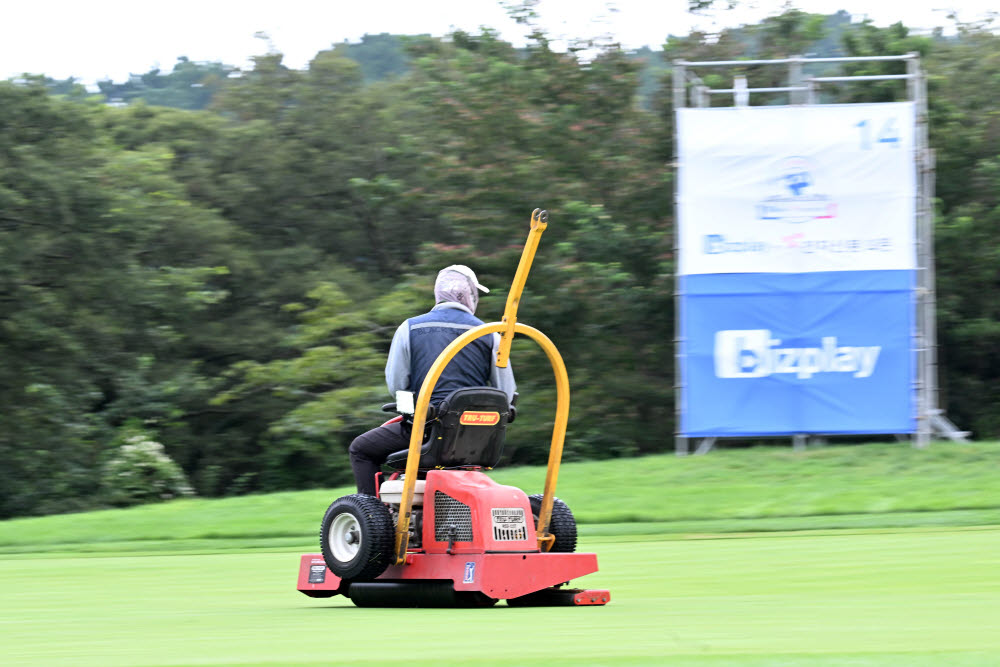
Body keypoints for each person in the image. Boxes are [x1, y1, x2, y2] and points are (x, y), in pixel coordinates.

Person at [348, 265, 516, 495]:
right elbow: (506, 395)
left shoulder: (410, 328)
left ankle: (372, 519)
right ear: (470, 295)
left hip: (426, 434)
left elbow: (396, 386)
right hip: (479, 440)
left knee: (361, 449)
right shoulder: (491, 334)